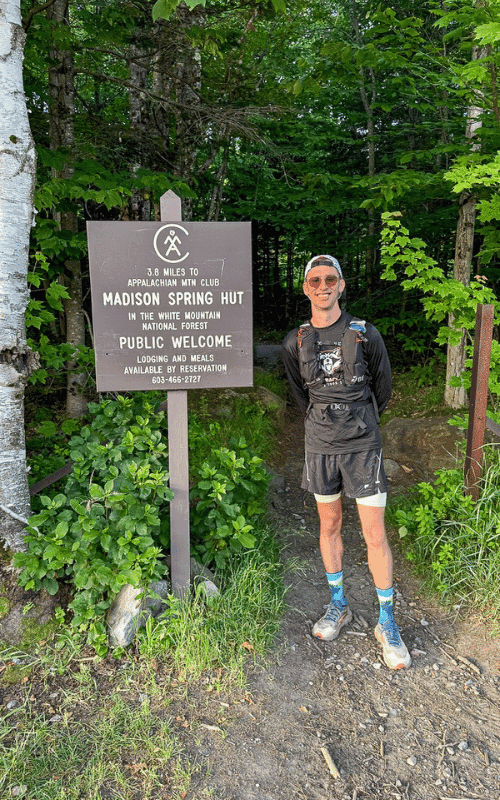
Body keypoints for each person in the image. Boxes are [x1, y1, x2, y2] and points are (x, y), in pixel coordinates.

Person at [282, 254, 411, 670]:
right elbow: (300, 397)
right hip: (320, 446)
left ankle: (386, 621)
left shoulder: (365, 333)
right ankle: (339, 605)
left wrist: (358, 421)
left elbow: (383, 389)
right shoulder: (295, 340)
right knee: (330, 524)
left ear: (341, 285)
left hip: (362, 446)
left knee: (375, 532)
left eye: (330, 279)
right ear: (306, 288)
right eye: (315, 280)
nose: (323, 286)